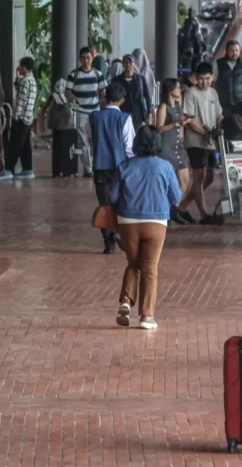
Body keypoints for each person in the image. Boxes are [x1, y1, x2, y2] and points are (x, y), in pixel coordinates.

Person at [111, 126, 182, 330]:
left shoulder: (124, 166)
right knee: (150, 269)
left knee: (133, 263)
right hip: (156, 222)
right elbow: (176, 198)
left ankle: (126, 301)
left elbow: (113, 197)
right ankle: (147, 317)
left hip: (127, 222)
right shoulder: (165, 167)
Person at [88, 83, 135, 254]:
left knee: (105, 205)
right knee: (121, 203)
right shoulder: (125, 118)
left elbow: (89, 137)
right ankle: (119, 233)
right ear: (122, 101)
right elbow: (129, 146)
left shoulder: (93, 117)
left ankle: (109, 244)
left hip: (100, 167)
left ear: (105, 96)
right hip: (120, 167)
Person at [178, 62, 223, 225]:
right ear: (196, 79)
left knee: (209, 177)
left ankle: (182, 206)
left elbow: (219, 114)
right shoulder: (191, 93)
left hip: (210, 141)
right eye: (201, 79)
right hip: (195, 141)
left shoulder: (213, 93)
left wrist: (218, 126)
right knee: (199, 176)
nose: (204, 82)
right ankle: (204, 214)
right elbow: (188, 119)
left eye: (208, 78)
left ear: (212, 77)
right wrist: (205, 133)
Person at [66, 46, 108, 177]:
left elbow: (103, 92)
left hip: (94, 112)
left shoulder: (98, 75)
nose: (86, 61)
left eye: (88, 58)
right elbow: (68, 92)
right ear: (79, 59)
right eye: (83, 58)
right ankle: (88, 168)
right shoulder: (73, 75)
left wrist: (104, 107)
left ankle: (96, 165)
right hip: (80, 112)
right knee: (83, 141)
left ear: (92, 58)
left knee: (95, 140)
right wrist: (74, 99)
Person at [155, 79, 191, 220]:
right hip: (166, 147)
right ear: (170, 90)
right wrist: (176, 124)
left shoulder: (178, 105)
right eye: (177, 87)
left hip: (178, 146)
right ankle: (166, 212)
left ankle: (172, 209)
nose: (180, 90)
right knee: (168, 183)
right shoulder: (163, 107)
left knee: (185, 180)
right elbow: (159, 127)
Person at [2, 57, 38, 180]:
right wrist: (17, 78)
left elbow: (21, 101)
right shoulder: (32, 80)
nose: (19, 68)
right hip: (29, 117)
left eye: (20, 67)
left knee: (15, 144)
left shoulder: (25, 81)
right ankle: (27, 169)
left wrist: (15, 117)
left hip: (21, 118)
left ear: (24, 67)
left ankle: (8, 169)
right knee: (25, 145)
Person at [213, 40, 242, 118]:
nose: (234, 53)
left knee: (241, 126)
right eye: (231, 51)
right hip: (224, 104)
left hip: (241, 103)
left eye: (236, 50)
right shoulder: (218, 64)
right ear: (226, 51)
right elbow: (214, 82)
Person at [111, 54, 153, 132]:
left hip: (138, 114)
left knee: (139, 135)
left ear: (134, 64)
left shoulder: (140, 79)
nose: (128, 65)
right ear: (123, 64)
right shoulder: (117, 80)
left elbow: (147, 96)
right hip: (122, 112)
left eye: (130, 62)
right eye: (125, 63)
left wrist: (149, 112)